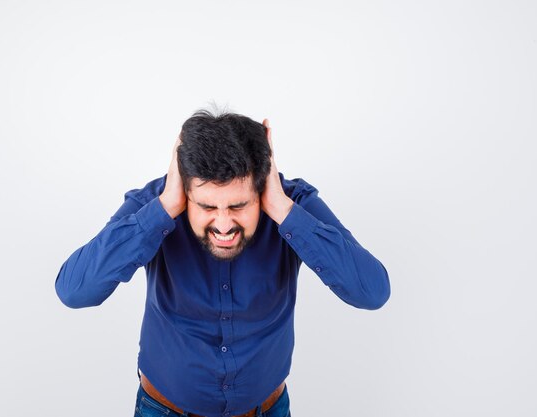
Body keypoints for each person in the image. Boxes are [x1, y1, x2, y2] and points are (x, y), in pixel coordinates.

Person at [55, 109, 391, 417]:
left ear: (262, 186)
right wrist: (165, 208)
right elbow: (75, 291)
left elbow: (371, 291)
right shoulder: (155, 204)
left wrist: (282, 210)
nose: (224, 224)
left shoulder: (291, 204)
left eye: (238, 205)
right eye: (207, 207)